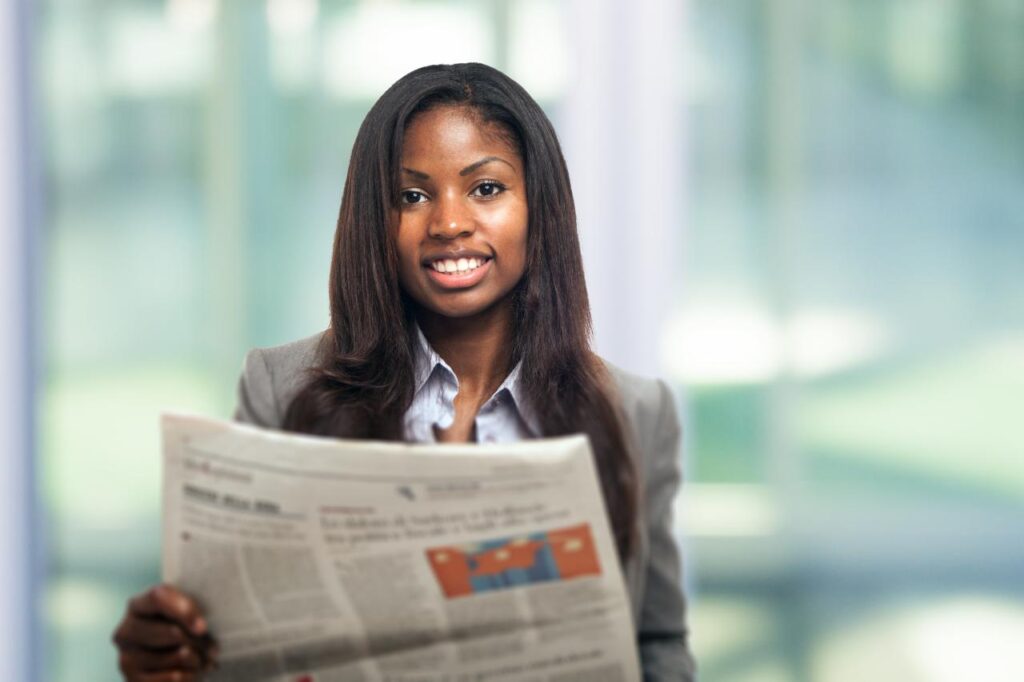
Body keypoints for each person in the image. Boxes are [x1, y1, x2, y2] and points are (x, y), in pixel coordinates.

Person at [112, 62, 696, 681]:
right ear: (376, 222)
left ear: (539, 208)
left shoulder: (636, 412)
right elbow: (235, 645)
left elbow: (656, 642)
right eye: (412, 196)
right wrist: (173, 654)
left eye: (486, 189)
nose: (448, 224)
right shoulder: (280, 388)